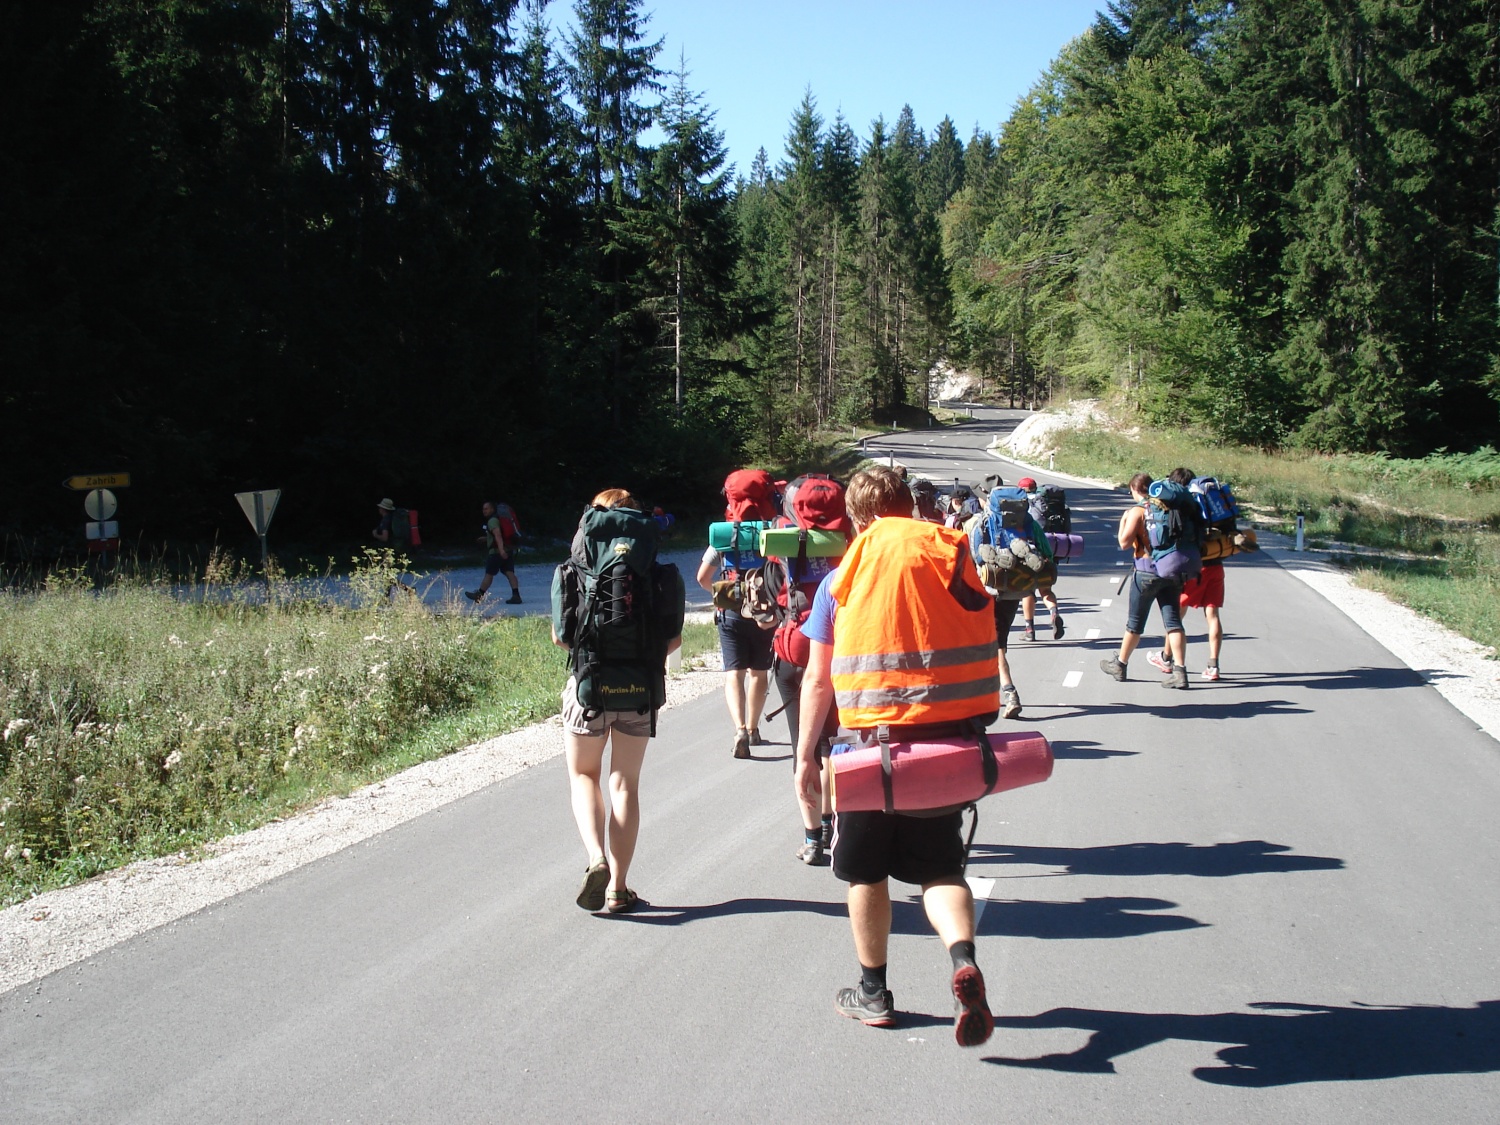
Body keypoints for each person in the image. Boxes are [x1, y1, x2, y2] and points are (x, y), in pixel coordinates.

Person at [794, 465, 999, 1048]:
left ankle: (873, 992)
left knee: (865, 872)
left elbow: (817, 681)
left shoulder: (842, 580)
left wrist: (806, 755)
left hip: (869, 753)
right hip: (949, 745)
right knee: (940, 869)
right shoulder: (952, 554)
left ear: (857, 519)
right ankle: (963, 960)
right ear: (910, 506)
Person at [552, 489, 685, 914]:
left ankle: (595, 858)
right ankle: (619, 888)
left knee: (584, 775)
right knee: (625, 783)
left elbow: (562, 637)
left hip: (588, 687)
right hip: (640, 690)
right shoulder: (659, 573)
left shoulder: (573, 570)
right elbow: (673, 639)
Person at [696, 475, 779, 759]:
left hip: (731, 611)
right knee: (759, 673)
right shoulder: (773, 531)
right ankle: (755, 729)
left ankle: (740, 728)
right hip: (765, 611)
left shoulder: (724, 534)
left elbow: (702, 577)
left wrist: (725, 595)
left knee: (734, 673)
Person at [1100, 472, 1189, 688]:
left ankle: (1120, 665)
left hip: (1146, 572)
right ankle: (1180, 672)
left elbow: (1123, 543)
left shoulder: (1138, 511)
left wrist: (1123, 520)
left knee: (1135, 624)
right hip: (1172, 571)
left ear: (1134, 489)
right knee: (1174, 623)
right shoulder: (1170, 508)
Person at [1148, 467, 1225, 682]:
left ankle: (1166, 658)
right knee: (1213, 615)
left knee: (1175, 614)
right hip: (1216, 563)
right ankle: (1213, 666)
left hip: (1195, 566)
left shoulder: (1182, 504)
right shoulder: (1206, 502)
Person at [1015, 478, 1065, 642]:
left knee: (1028, 593)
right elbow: (1044, 542)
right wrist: (1049, 559)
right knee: (1046, 591)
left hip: (1027, 560)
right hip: (1046, 558)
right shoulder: (1044, 507)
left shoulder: (1021, 514)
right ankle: (1054, 612)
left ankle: (1030, 630)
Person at [466, 500, 521, 604]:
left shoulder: (492, 521)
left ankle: (479, 595)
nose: (484, 511)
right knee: (509, 572)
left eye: (486, 508)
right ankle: (516, 595)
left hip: (497, 552)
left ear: (492, 509)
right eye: (483, 509)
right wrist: (487, 538)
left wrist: (500, 550)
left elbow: (498, 535)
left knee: (489, 574)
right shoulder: (499, 519)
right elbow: (499, 535)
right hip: (508, 549)